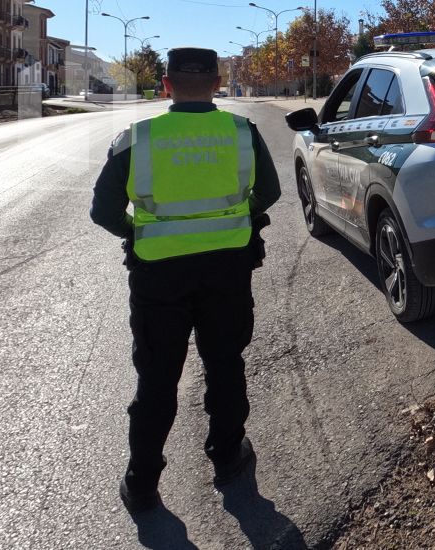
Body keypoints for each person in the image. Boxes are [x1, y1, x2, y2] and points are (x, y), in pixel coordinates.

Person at [90, 47, 281, 513]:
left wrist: (137, 230)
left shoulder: (137, 137)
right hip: (226, 269)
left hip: (159, 276)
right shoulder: (241, 131)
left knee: (157, 378)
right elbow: (270, 192)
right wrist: (238, 217)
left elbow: (103, 211)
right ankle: (227, 456)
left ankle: (141, 482)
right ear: (218, 84)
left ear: (165, 84)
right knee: (224, 363)